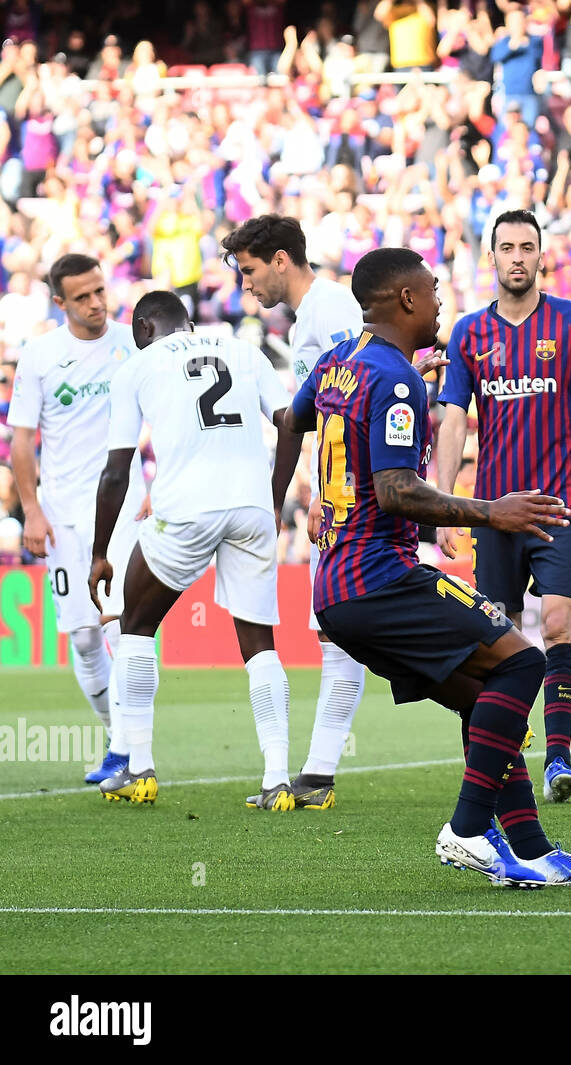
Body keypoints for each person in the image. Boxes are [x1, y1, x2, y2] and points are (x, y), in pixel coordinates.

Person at [286, 247, 571, 887]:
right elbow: (394, 491)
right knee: (525, 661)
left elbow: (292, 420)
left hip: (333, 585)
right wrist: (490, 512)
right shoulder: (396, 379)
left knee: (482, 694)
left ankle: (529, 847)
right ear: (406, 300)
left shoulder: (338, 363)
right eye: (432, 288)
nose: (441, 298)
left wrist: (296, 494)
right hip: (378, 577)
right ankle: (467, 829)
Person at [436, 210, 571, 804]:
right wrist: (448, 507)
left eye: (527, 247)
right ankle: (498, 755)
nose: (517, 257)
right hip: (495, 513)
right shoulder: (470, 332)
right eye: (506, 248)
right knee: (495, 634)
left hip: (560, 508)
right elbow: (451, 422)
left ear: (541, 257)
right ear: (491, 258)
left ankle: (558, 758)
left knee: (555, 621)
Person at [89, 291, 302, 809]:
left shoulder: (137, 367)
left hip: (186, 508)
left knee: (135, 626)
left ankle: (138, 769)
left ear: (144, 328)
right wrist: (272, 501)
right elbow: (292, 420)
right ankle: (277, 779)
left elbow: (118, 469)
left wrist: (99, 551)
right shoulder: (243, 349)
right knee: (259, 643)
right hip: (250, 508)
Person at [221, 214, 368, 812]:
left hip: (357, 492)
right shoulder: (315, 315)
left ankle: (492, 721)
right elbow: (310, 418)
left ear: (282, 259)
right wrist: (295, 493)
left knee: (351, 630)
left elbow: (357, 402)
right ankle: (318, 775)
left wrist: (341, 490)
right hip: (340, 490)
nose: (246, 287)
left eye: (251, 271)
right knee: (340, 632)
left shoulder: (330, 311)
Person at [8, 253, 147, 784]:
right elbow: (23, 441)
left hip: (125, 509)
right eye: (82, 296)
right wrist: (34, 510)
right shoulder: (41, 355)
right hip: (64, 516)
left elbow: (163, 412)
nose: (96, 303)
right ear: (60, 302)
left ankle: (134, 750)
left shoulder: (131, 344)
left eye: (99, 291)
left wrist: (158, 486)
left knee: (127, 631)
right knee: (85, 638)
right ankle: (119, 739)